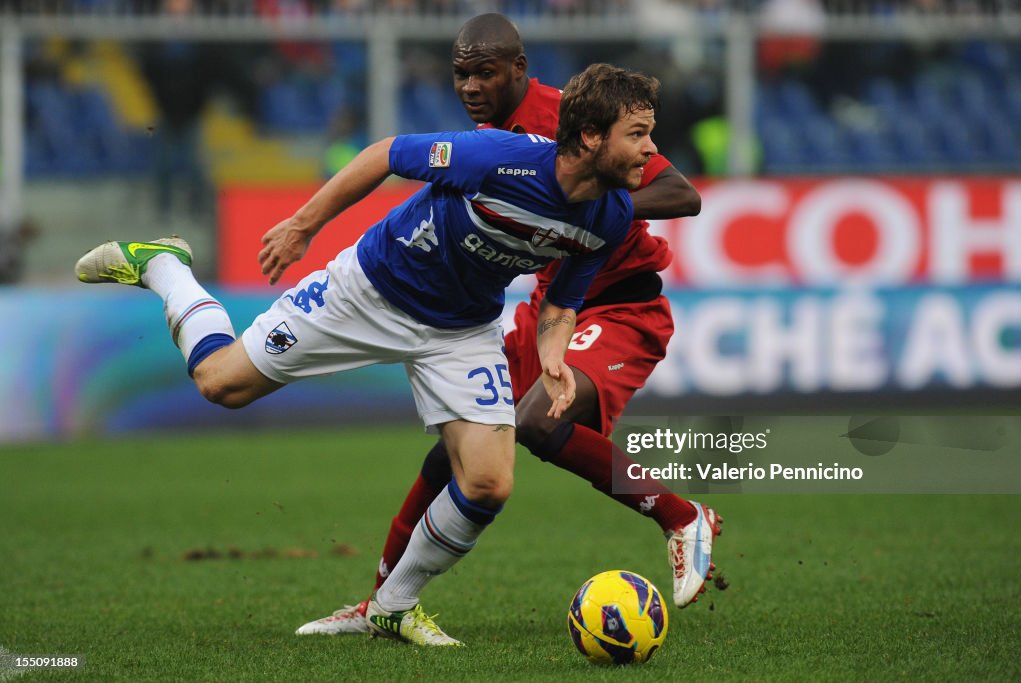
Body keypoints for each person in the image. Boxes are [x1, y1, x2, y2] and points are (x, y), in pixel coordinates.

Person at [75, 61, 661, 647]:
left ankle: (391, 606)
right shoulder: (499, 159)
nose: (650, 149)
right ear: (590, 137)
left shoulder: (609, 217)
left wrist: (553, 355)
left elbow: (561, 303)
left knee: (488, 482)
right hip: (369, 290)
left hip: (460, 330)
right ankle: (164, 265)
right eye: (637, 135)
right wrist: (303, 226)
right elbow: (386, 153)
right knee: (219, 383)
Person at [295, 14, 718, 638]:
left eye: (484, 74)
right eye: (460, 74)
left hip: (619, 306)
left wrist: (603, 203)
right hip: (553, 307)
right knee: (455, 455)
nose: (469, 87)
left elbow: (682, 194)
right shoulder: (496, 142)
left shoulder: (570, 119)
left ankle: (683, 517)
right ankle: (380, 606)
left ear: (519, 71)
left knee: (539, 423)